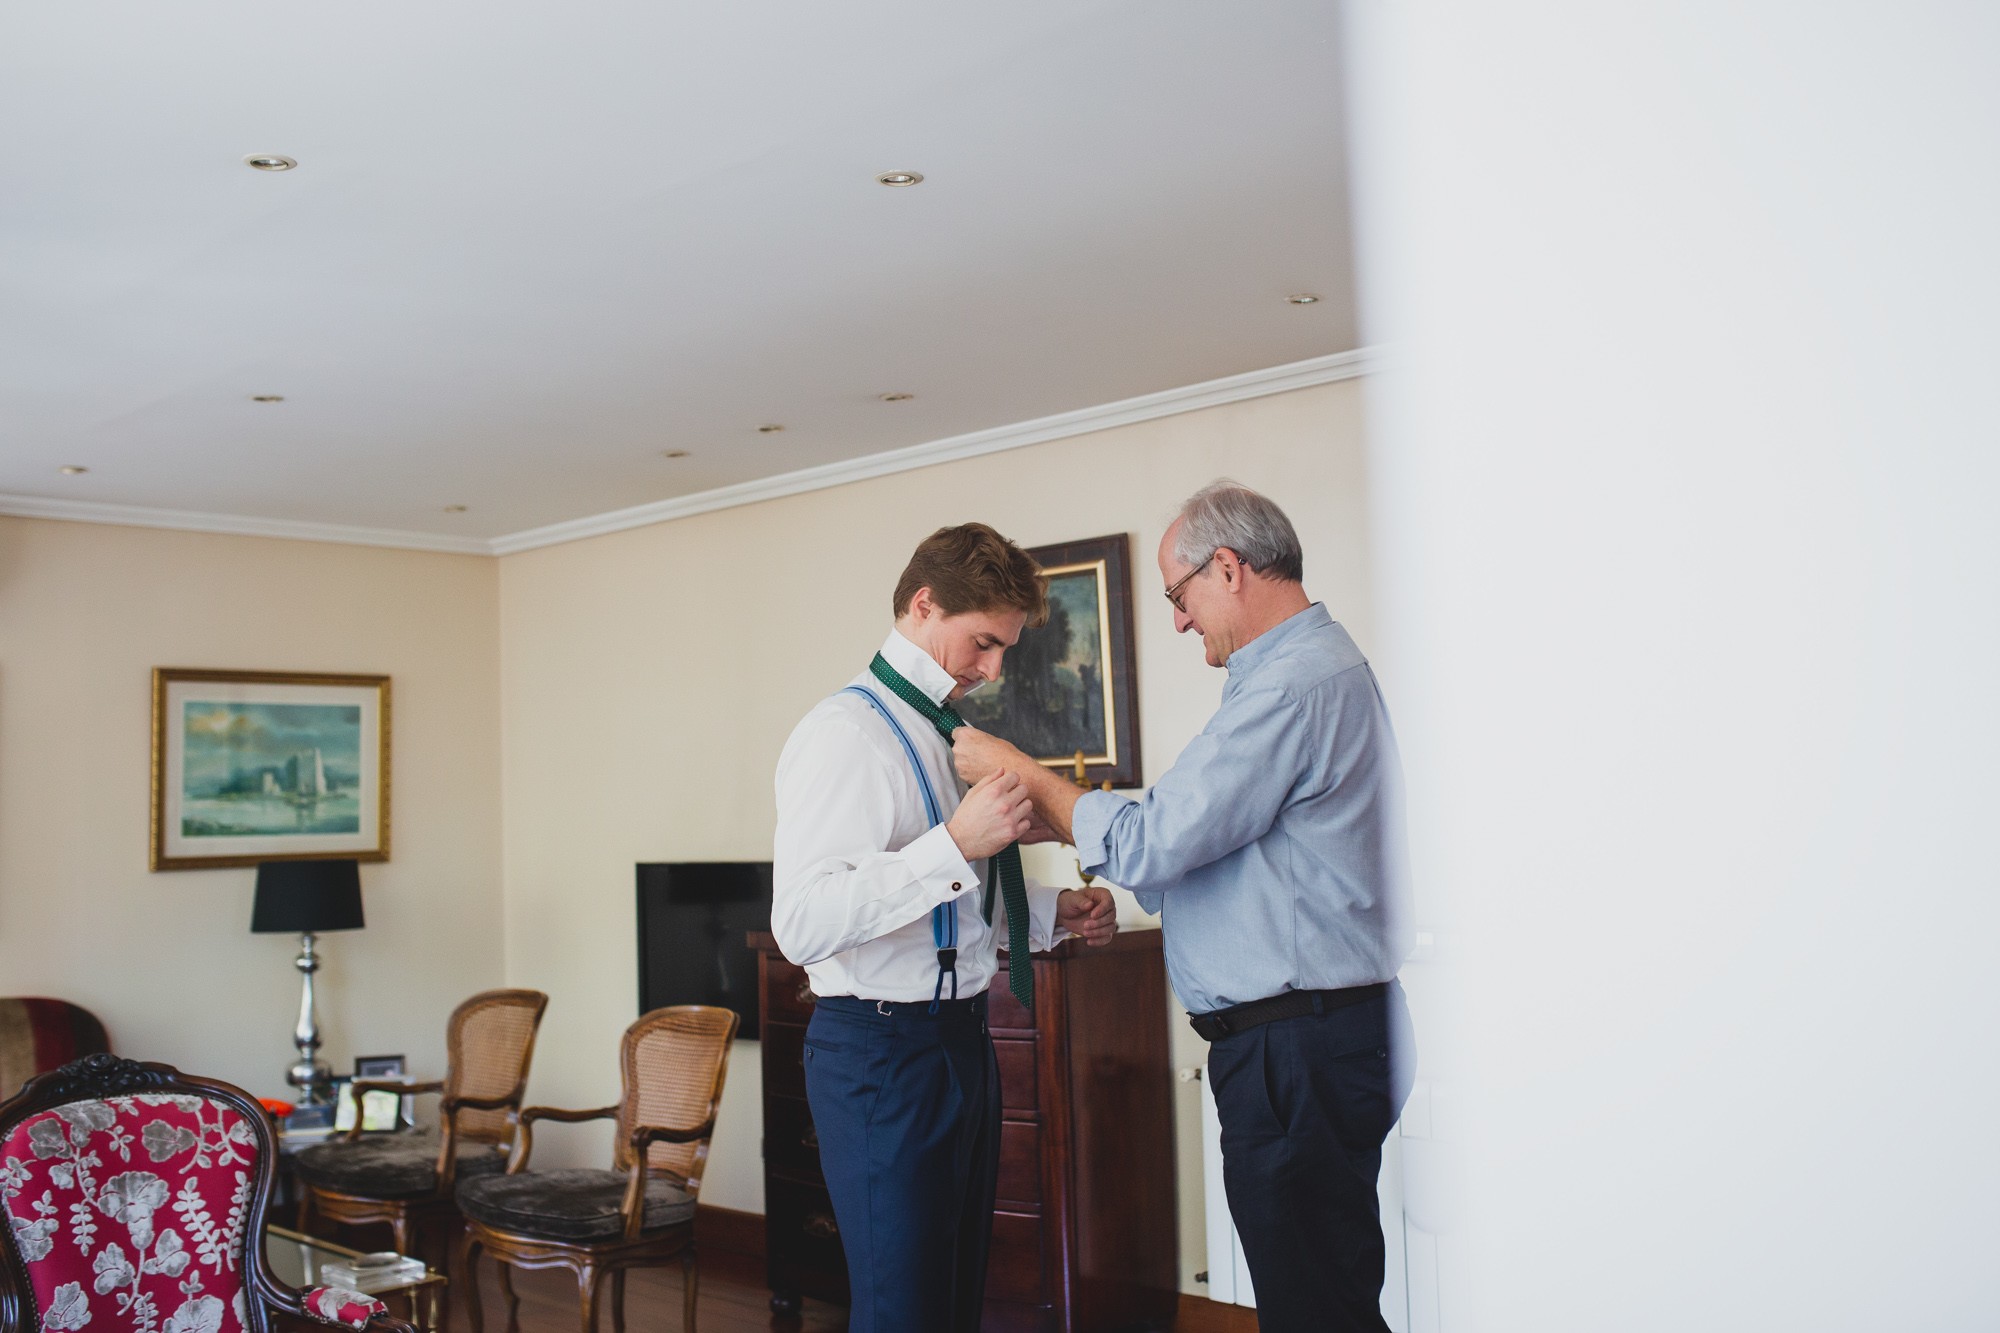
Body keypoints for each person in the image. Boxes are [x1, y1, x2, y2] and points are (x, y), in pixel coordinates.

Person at [953, 482, 1413, 1333]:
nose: (1177, 620)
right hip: (1314, 1043)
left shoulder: (1291, 689)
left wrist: (1017, 769)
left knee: (1316, 1311)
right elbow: (1211, 852)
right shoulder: (1300, 675)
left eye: (1178, 594)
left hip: (1295, 1053)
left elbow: (1155, 842)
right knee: (1327, 1298)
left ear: (1229, 567)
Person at [772, 522, 1119, 1333]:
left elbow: (947, 913)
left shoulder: (943, 735)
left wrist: (1047, 916)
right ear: (924, 604)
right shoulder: (844, 734)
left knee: (955, 1299)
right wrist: (957, 843)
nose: (993, 669)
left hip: (961, 1044)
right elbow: (801, 921)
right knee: (904, 1310)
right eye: (984, 643)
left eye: (1004, 649)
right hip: (881, 1056)